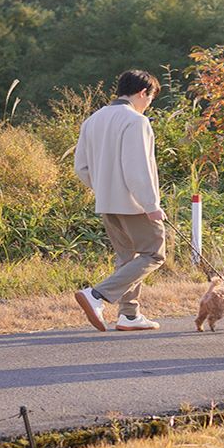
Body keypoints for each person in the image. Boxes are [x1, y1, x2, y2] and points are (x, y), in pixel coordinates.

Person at [73, 69, 166, 331]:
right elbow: (139, 169)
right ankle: (97, 295)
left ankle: (129, 315)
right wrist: (152, 206)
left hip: (106, 202)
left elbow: (81, 168)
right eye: (150, 99)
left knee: (127, 257)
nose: (148, 105)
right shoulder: (136, 121)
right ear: (142, 93)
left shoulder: (93, 120)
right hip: (135, 205)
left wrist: (104, 188)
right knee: (154, 254)